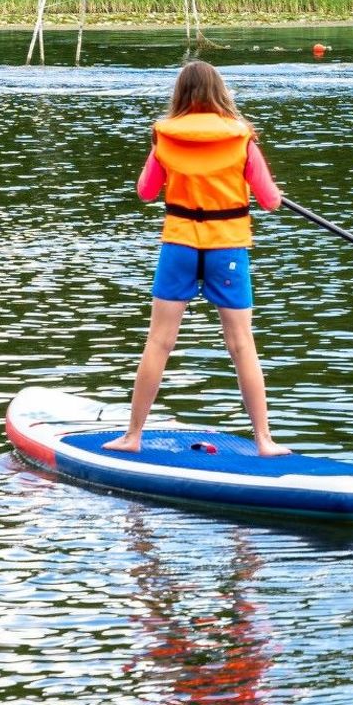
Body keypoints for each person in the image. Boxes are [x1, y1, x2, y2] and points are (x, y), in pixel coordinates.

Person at [107, 60, 287, 456]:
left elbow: (146, 192)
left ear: (181, 95)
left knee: (159, 342)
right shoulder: (242, 140)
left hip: (180, 247)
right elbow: (271, 201)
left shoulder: (164, 139)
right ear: (220, 92)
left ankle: (133, 436)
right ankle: (265, 441)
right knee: (242, 344)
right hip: (228, 249)